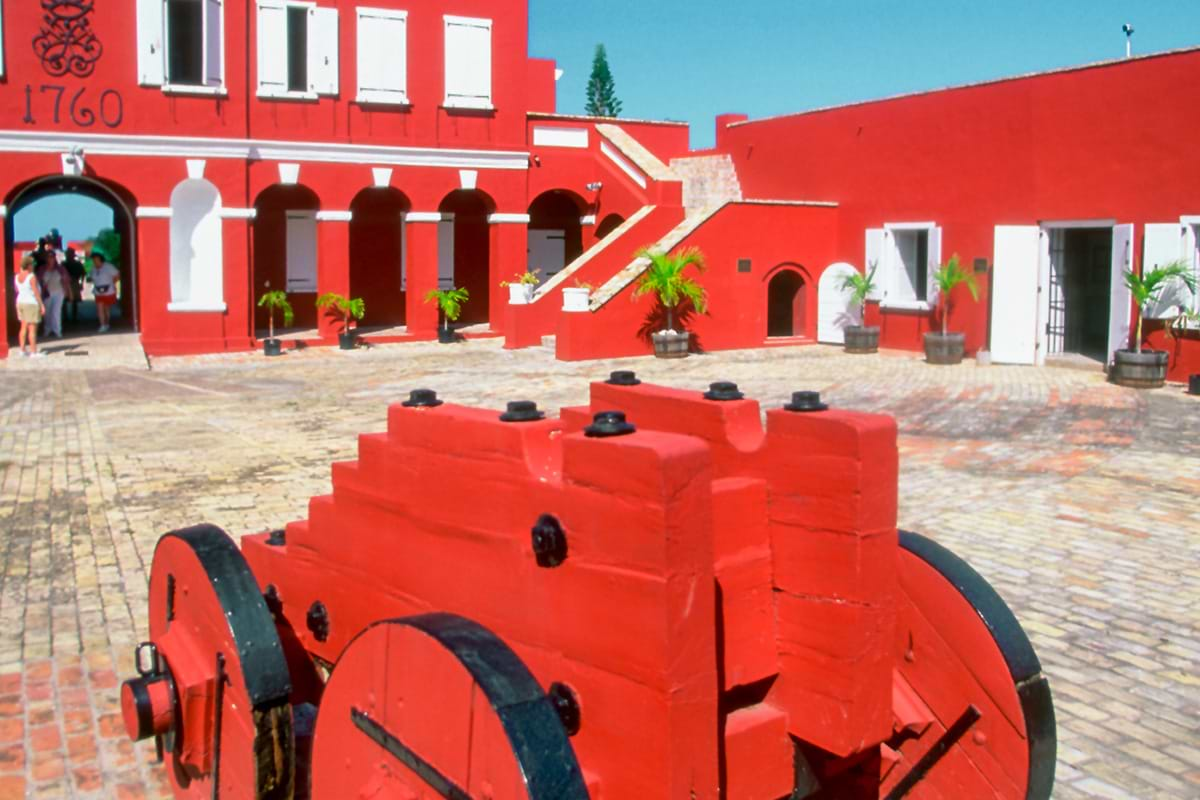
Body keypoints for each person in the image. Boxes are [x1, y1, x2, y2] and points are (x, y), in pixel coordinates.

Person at [14, 255, 46, 357]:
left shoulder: (17, 277)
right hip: (31, 303)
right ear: (28, 265)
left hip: (20, 302)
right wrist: (41, 305)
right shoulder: (31, 277)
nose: (33, 266)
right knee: (32, 329)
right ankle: (33, 351)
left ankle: (22, 349)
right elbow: (36, 292)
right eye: (32, 264)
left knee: (23, 327)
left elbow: (17, 290)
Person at [37, 250, 70, 338]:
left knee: (56, 312)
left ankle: (57, 330)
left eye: (52, 257)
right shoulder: (42, 269)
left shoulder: (60, 269)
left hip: (59, 292)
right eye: (48, 257)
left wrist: (67, 291)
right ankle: (47, 330)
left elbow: (66, 280)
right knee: (47, 313)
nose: (50, 259)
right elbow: (38, 281)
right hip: (47, 293)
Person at [88, 251, 119, 332]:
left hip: (109, 291)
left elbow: (117, 275)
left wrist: (112, 283)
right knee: (100, 308)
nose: (95, 261)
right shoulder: (93, 268)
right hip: (98, 291)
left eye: (96, 259)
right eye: (93, 260)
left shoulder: (108, 267)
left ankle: (107, 323)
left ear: (100, 259)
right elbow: (91, 277)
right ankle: (102, 325)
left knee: (106, 308)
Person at [63, 247, 85, 322]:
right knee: (64, 301)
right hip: (66, 283)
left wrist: (81, 283)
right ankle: (65, 317)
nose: (69, 255)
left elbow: (83, 274)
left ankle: (73, 317)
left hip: (74, 282)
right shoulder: (63, 264)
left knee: (74, 301)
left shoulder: (77, 264)